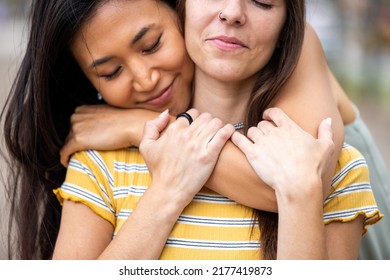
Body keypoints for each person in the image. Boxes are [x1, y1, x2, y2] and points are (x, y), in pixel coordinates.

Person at [0, 0, 381, 259]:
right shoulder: (101, 165)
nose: (146, 79)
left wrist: (143, 127)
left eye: (152, 45)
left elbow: (296, 179)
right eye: (110, 72)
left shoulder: (295, 48)